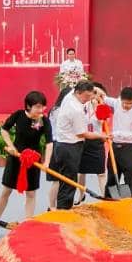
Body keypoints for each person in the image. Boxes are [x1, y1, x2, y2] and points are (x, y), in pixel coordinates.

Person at [0, 91, 53, 237]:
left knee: (31, 193)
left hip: (32, 160)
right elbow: (4, 130)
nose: (41, 110)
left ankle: (28, 224)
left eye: (43, 106)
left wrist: (47, 162)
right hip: (16, 158)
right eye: (37, 107)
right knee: (6, 191)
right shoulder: (18, 115)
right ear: (28, 106)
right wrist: (11, 147)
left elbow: (49, 143)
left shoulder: (43, 120)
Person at [49, 81, 103, 210]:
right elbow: (82, 134)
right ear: (78, 92)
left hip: (64, 145)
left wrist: (95, 93)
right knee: (68, 182)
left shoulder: (70, 95)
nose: (88, 99)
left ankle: (65, 207)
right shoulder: (75, 110)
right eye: (86, 96)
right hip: (69, 147)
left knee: (68, 180)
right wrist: (102, 136)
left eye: (90, 96)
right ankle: (64, 209)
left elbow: (84, 89)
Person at [104, 86, 132, 196]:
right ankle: (111, 200)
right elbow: (104, 98)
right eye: (125, 103)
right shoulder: (117, 103)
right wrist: (97, 93)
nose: (127, 105)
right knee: (112, 177)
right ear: (120, 98)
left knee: (130, 179)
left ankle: (128, 201)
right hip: (115, 147)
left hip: (130, 149)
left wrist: (116, 134)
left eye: (130, 103)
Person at [76, 82, 109, 200]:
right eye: (93, 92)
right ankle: (81, 195)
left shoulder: (103, 106)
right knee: (81, 172)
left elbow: (102, 121)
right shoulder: (82, 104)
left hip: (97, 140)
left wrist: (98, 105)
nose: (94, 95)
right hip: (83, 140)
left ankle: (105, 196)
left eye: (97, 93)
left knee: (101, 172)